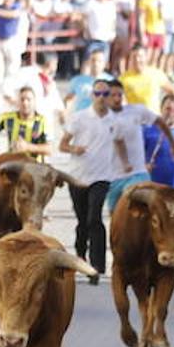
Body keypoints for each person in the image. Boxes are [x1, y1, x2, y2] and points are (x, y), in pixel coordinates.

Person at [60, 77, 126, 284]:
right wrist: (74, 149)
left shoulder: (114, 121)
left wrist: (126, 164)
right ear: (91, 96)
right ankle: (80, 255)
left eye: (105, 94)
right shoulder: (79, 118)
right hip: (78, 177)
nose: (101, 98)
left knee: (94, 218)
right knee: (82, 221)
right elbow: (62, 144)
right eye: (97, 93)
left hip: (101, 177)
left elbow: (120, 142)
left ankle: (97, 267)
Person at [104, 79, 174, 216]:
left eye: (120, 95)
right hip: (113, 177)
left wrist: (173, 144)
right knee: (114, 215)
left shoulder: (136, 110)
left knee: (141, 207)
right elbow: (116, 142)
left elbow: (159, 121)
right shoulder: (100, 118)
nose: (117, 98)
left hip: (138, 173)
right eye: (112, 95)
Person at [0, 86, 50, 163]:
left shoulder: (42, 121)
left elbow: (49, 149)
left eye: (28, 99)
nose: (25, 103)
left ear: (34, 101)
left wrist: (28, 147)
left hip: (35, 166)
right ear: (18, 102)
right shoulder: (7, 118)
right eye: (22, 99)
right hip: (13, 165)